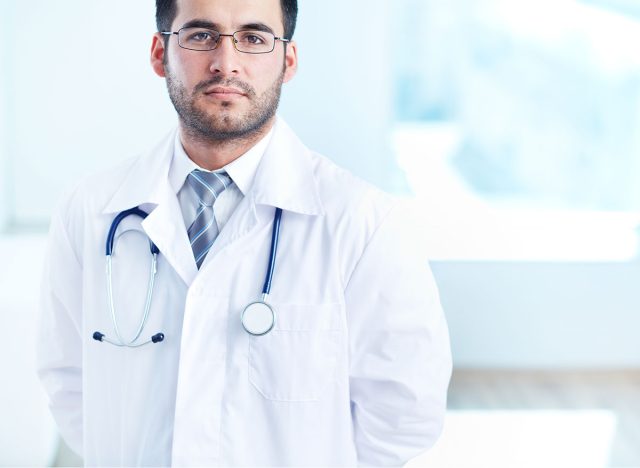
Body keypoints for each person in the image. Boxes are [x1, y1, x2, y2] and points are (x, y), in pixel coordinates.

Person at [36, 0, 452, 465]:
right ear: (160, 53)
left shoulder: (364, 223)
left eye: (254, 38)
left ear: (287, 60)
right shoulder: (89, 210)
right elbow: (69, 382)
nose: (226, 62)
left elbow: (404, 413)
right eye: (200, 35)